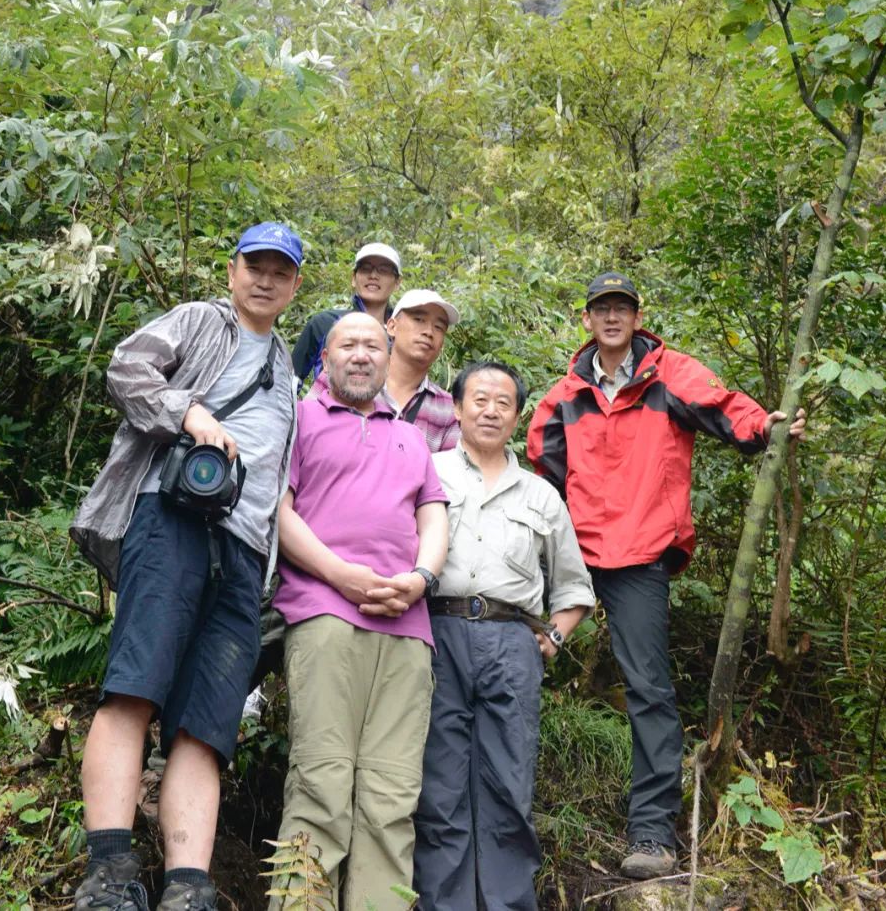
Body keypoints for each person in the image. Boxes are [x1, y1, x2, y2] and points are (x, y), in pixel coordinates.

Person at [526, 272, 806, 880]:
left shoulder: (668, 374)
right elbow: (538, 465)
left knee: (649, 690)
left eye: (621, 307)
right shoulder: (567, 393)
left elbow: (725, 407)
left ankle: (652, 834)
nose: (611, 317)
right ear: (587, 318)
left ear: (636, 316)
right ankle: (512, 817)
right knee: (520, 660)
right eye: (601, 307)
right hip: (572, 552)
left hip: (640, 550)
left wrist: (766, 426)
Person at [69, 223, 304, 911]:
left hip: (244, 553)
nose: (264, 280)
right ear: (231, 270)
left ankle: (187, 884)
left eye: (279, 272)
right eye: (254, 266)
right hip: (170, 521)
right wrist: (188, 412)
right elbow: (126, 367)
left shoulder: (290, 370)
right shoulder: (202, 320)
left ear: (294, 286)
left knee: (207, 723)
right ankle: (109, 870)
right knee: (135, 687)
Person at [271, 312, 449, 911]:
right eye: (347, 344)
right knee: (321, 781)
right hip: (324, 614)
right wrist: (337, 574)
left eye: (373, 346)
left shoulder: (410, 434)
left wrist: (421, 577)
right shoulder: (298, 419)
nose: (361, 355)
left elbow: (433, 514)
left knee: (392, 796)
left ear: (387, 355)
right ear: (324, 357)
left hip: (407, 626)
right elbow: (279, 511)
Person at [414, 360, 594, 911]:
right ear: (458, 406)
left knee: (508, 784)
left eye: (503, 403)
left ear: (517, 415)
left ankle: (509, 904)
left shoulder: (540, 495)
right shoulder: (427, 470)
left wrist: (553, 638)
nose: (490, 411)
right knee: (439, 784)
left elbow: (575, 588)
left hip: (512, 641)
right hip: (435, 631)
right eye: (480, 400)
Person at [310, 287, 461, 453]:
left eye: (439, 327)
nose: (429, 332)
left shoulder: (447, 410)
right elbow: (304, 433)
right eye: (419, 319)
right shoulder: (342, 376)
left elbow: (442, 475)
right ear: (391, 326)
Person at [291, 241, 402, 384]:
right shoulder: (324, 323)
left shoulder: (401, 333)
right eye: (366, 269)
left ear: (397, 282)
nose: (373, 275)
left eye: (384, 270)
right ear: (354, 278)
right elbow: (290, 382)